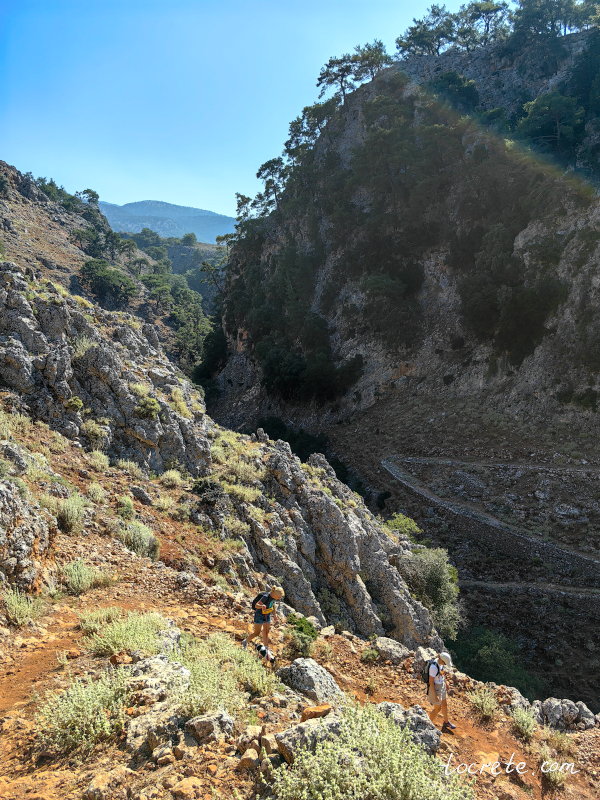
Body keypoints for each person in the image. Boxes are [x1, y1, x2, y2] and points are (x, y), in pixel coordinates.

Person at [427, 651, 456, 733]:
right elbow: (431, 682)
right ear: (442, 660)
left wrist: (445, 682)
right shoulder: (433, 667)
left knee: (444, 704)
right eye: (445, 663)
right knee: (437, 708)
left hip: (441, 685)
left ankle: (446, 722)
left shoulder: (440, 663)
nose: (445, 664)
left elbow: (442, 673)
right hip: (436, 688)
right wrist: (434, 694)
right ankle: (428, 723)